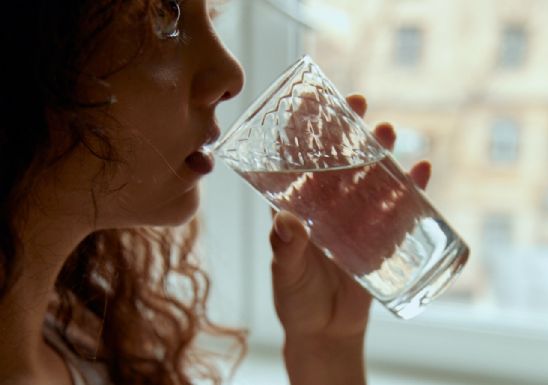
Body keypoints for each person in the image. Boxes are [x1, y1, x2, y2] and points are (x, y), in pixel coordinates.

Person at [0, 1, 431, 384]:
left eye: (209, 16)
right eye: (162, 14)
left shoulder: (84, 342)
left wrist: (327, 349)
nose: (231, 75)